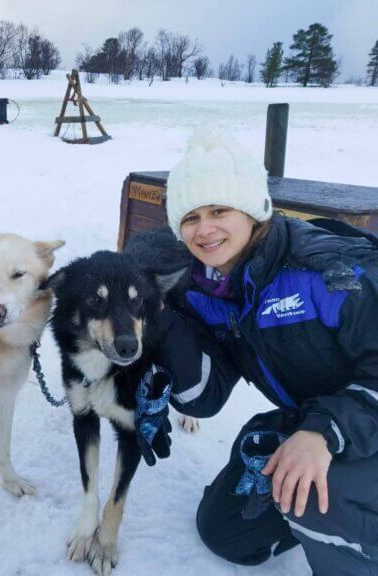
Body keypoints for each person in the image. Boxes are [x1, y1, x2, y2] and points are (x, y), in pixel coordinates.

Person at [155, 129, 378, 575]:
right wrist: (158, 333)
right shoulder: (209, 288)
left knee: (315, 494)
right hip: (323, 417)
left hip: (357, 421)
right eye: (191, 216)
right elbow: (205, 395)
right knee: (227, 528)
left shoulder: (328, 272)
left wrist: (323, 432)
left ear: (253, 210)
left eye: (219, 210)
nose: (205, 229)